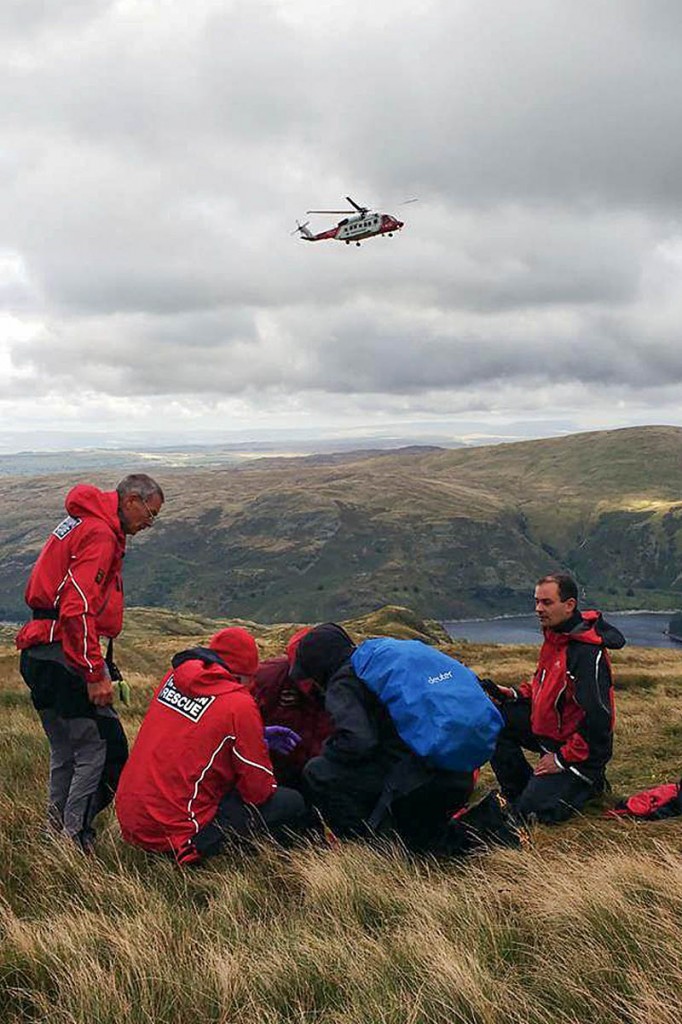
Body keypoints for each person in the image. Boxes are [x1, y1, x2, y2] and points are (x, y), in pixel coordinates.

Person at [15, 473, 164, 851]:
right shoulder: (100, 533)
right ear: (131, 501)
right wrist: (94, 672)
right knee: (103, 750)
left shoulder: (83, 521)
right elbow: (77, 606)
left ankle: (54, 834)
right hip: (62, 655)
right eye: (150, 513)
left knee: (66, 750)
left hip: (39, 652)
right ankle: (75, 838)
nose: (150, 523)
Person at [115, 627, 308, 864]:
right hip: (175, 833)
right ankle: (248, 857)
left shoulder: (174, 678)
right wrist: (252, 744)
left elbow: (193, 732)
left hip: (131, 819)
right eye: (252, 678)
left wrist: (255, 735)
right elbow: (258, 791)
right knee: (290, 802)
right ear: (241, 675)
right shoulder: (238, 704)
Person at [291, 623, 474, 851]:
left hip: (412, 781)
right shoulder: (376, 667)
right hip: (455, 769)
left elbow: (359, 742)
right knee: (431, 840)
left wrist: (329, 749)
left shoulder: (343, 682)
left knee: (318, 771)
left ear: (319, 667)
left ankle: (365, 847)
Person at [483, 572, 625, 824]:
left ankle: (587, 784)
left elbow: (598, 722)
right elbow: (546, 684)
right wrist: (515, 694)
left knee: (532, 815)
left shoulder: (585, 653)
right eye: (537, 601)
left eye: (546, 602)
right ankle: (519, 791)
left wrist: (561, 759)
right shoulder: (556, 636)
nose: (538, 609)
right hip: (552, 736)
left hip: (581, 753)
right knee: (492, 718)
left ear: (569, 605)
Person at [252, 627, 333, 788]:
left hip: (325, 775)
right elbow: (237, 723)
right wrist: (257, 737)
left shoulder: (347, 686)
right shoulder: (267, 678)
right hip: (275, 771)